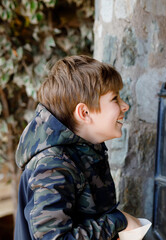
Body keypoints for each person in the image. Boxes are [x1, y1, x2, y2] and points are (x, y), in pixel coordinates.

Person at [14, 55, 141, 239]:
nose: (125, 106)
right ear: (84, 112)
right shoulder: (53, 165)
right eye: (115, 98)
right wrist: (118, 221)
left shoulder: (86, 148)